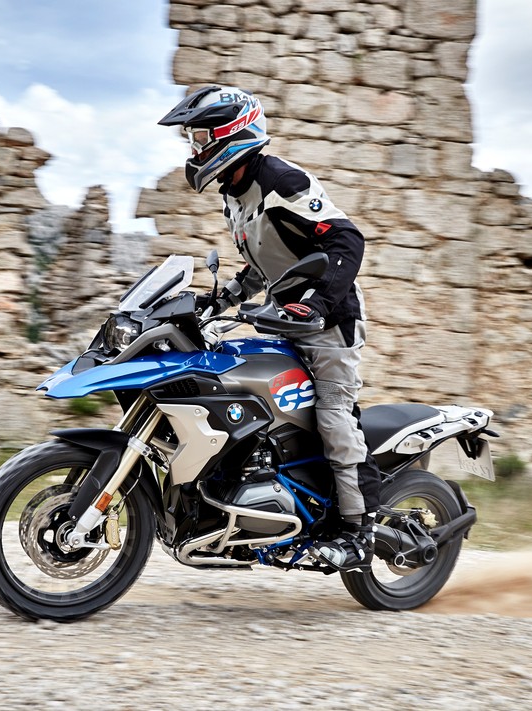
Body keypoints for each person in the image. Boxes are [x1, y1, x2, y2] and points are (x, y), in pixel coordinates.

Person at [159, 85, 381, 572]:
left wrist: (318, 304)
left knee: (332, 415)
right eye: (191, 142)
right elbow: (265, 264)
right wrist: (221, 300)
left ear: (229, 134)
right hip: (285, 319)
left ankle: (357, 529)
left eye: (198, 138)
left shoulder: (282, 179)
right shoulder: (235, 196)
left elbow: (347, 240)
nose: (194, 151)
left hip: (329, 321)